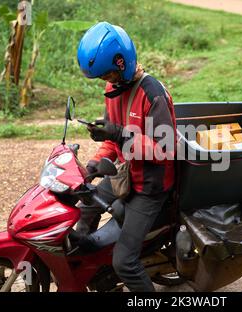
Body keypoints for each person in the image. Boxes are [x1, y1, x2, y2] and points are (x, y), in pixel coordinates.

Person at [76, 21, 176, 292]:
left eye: (109, 73)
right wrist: (95, 163)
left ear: (123, 62)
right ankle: (92, 271)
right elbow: (111, 142)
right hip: (123, 175)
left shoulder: (152, 94)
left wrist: (120, 134)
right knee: (82, 210)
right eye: (102, 77)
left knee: (125, 262)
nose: (107, 80)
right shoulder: (113, 90)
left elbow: (164, 149)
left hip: (149, 187)